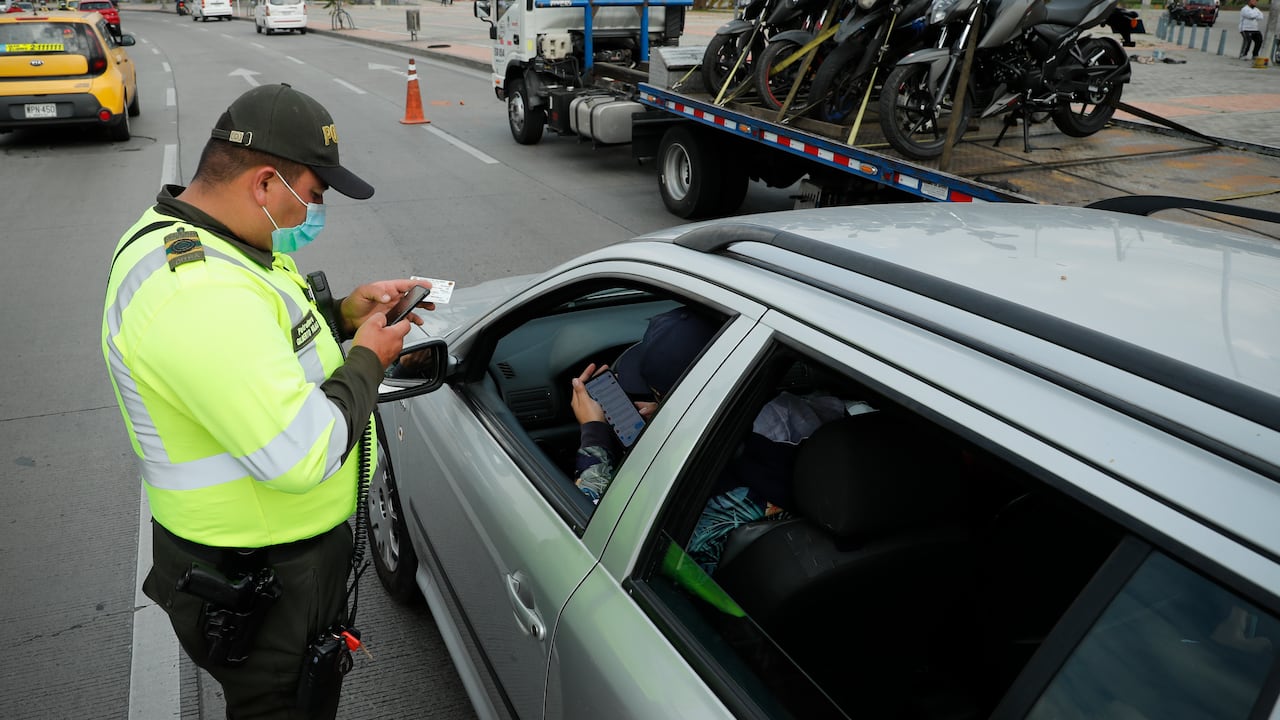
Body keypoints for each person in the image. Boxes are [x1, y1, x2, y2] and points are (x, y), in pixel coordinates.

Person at [102, 84, 433, 719]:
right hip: (257, 576)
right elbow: (301, 453)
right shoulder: (198, 292)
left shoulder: (213, 240)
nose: (315, 211)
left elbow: (266, 347)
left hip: (259, 561)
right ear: (263, 183)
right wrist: (369, 357)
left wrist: (341, 316)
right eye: (312, 195)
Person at [570, 306, 719, 503]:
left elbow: (590, 514)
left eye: (658, 395)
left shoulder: (703, 485)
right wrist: (671, 417)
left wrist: (594, 435)